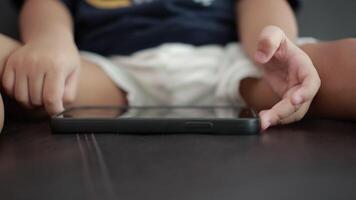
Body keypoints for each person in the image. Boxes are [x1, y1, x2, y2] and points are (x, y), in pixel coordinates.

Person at [0, 0, 355, 133]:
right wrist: (49, 42)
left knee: (336, 64)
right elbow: (46, 5)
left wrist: (277, 45)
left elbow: (262, 3)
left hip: (236, 62)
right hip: (109, 70)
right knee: (17, 63)